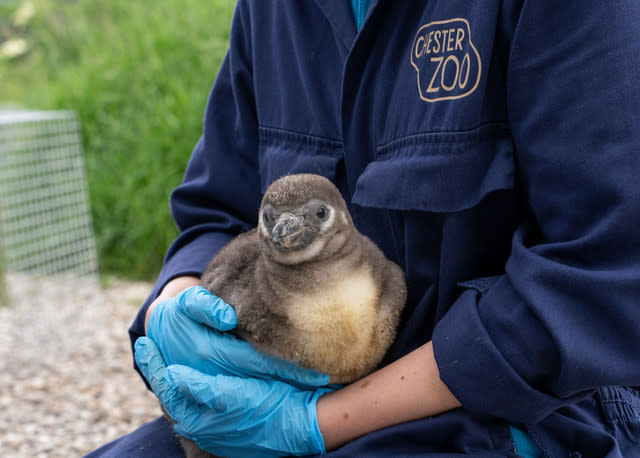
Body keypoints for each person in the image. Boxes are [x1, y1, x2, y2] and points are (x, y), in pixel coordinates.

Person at [87, 1, 640, 456]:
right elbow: (216, 212)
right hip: (289, 396)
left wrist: (320, 423)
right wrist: (177, 312)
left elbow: (601, 279)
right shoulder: (270, 11)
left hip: (530, 411)